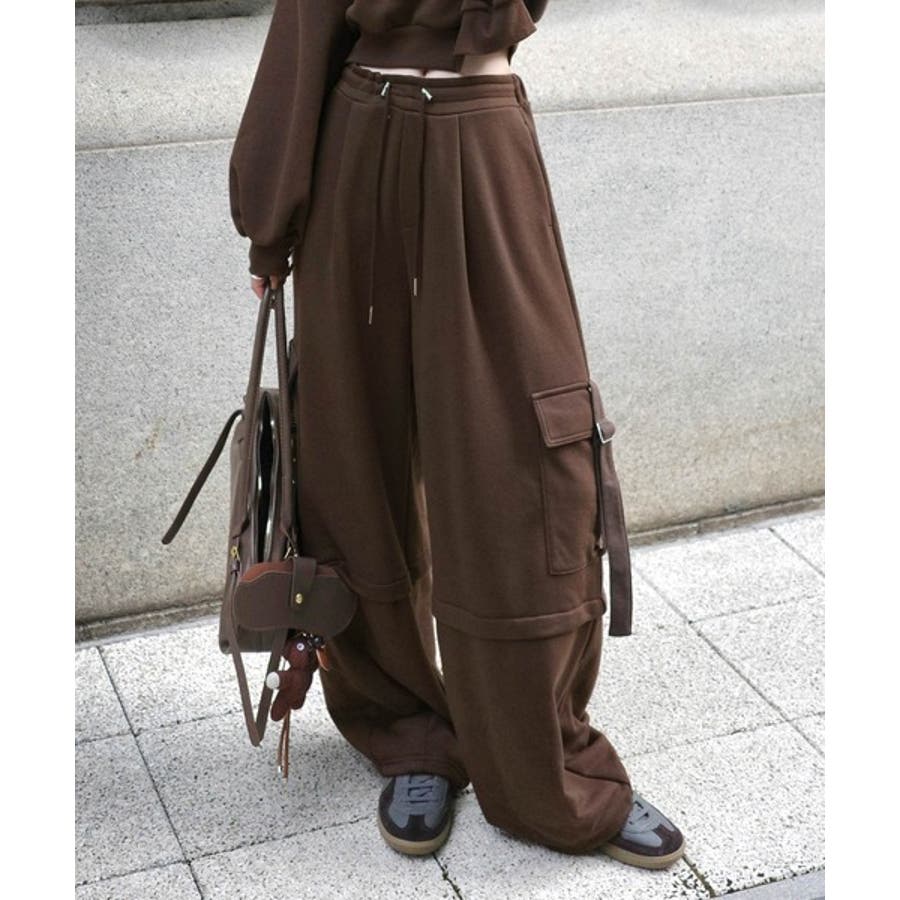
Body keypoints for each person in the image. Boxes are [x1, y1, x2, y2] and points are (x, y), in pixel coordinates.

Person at [228, 0, 685, 870]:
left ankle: (546, 760)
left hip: (483, 133)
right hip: (359, 139)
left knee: (529, 464)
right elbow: (306, 22)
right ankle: (408, 730)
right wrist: (272, 216)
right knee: (352, 459)